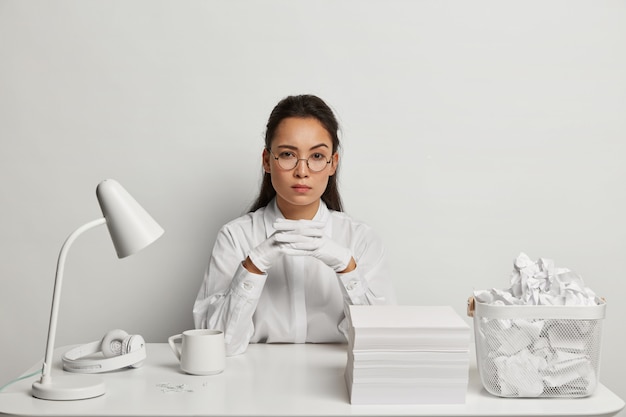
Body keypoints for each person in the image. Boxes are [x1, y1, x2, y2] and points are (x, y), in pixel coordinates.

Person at [193, 94, 396, 356]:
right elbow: (216, 347)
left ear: (333, 163)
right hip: (250, 385)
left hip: (335, 383)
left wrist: (347, 267)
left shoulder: (361, 239)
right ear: (267, 160)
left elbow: (382, 343)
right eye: (288, 154)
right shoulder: (235, 236)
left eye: (317, 156)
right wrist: (254, 265)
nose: (302, 170)